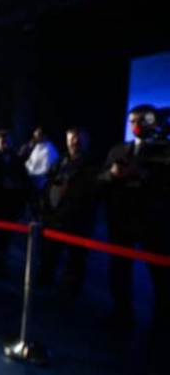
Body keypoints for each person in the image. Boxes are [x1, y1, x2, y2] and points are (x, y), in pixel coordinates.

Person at [97, 105, 169, 371]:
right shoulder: (118, 150)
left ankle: (161, 330)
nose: (136, 125)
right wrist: (112, 175)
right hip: (121, 222)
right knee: (118, 271)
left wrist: (143, 174)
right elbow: (100, 179)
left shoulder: (165, 151)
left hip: (154, 226)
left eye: (142, 120)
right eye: (132, 120)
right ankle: (121, 314)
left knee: (162, 282)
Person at [36, 127, 97, 296]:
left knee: (74, 260)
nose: (75, 141)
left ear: (87, 140)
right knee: (48, 255)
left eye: (79, 137)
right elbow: (49, 184)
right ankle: (44, 283)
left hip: (77, 220)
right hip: (53, 217)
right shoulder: (60, 161)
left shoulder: (92, 165)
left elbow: (93, 192)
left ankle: (69, 292)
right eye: (72, 136)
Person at [0, 129, 29, 277]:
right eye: (3, 141)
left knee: (4, 241)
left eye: (8, 141)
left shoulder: (17, 160)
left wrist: (14, 185)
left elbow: (25, 181)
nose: (6, 144)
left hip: (9, 207)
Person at [24, 127, 59, 215]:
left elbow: (47, 166)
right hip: (33, 182)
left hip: (43, 184)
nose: (36, 138)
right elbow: (30, 162)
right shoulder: (36, 147)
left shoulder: (49, 149)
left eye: (38, 136)